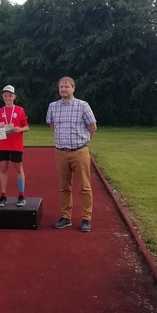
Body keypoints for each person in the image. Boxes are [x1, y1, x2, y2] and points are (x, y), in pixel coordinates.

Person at [45, 76, 97, 232]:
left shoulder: (82, 105)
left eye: (67, 86)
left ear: (73, 88)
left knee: (85, 187)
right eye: (61, 87)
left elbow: (92, 126)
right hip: (61, 153)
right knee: (64, 187)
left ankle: (86, 218)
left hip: (79, 152)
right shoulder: (53, 106)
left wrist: (85, 139)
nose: (63, 89)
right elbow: (52, 125)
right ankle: (65, 217)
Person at [0, 85, 30, 207]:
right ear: (2, 97)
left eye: (10, 95)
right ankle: (3, 195)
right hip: (3, 144)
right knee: (3, 169)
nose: (8, 98)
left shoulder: (20, 110)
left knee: (18, 169)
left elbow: (27, 127)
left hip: (16, 145)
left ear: (14, 97)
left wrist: (20, 129)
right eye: (5, 96)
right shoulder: (0, 111)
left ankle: (21, 195)